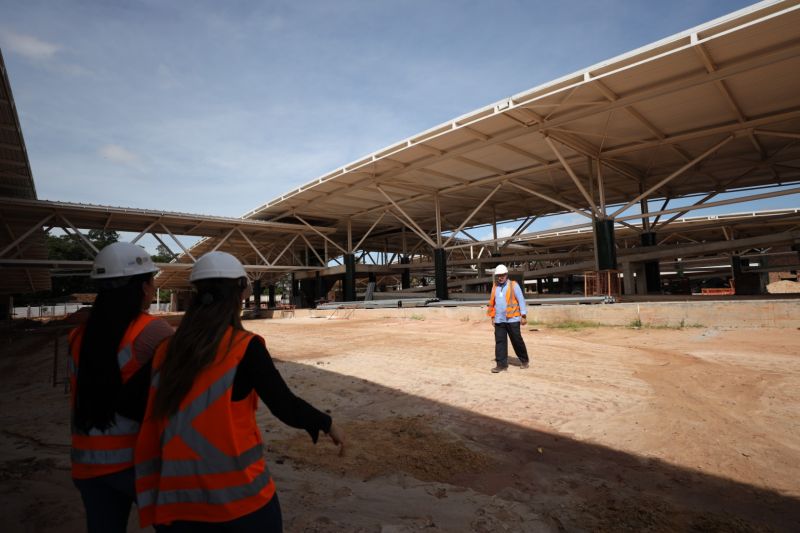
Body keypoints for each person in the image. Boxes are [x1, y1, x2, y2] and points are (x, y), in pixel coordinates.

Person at [135, 251, 345, 532]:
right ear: (240, 293)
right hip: (239, 502)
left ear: (196, 293)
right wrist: (325, 422)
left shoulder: (165, 350)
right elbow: (284, 405)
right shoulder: (244, 347)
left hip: (175, 503)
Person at [68, 242, 174, 532]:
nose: (153, 289)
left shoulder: (78, 336)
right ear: (142, 287)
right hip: (137, 462)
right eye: (151, 282)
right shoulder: (152, 331)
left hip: (88, 464)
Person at [486, 264, 530, 373]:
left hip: (513, 319)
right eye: (498, 275)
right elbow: (492, 303)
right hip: (499, 320)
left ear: (506, 275)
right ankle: (501, 365)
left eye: (502, 275)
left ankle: (524, 360)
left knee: (516, 340)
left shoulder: (513, 285)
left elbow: (521, 300)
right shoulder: (495, 287)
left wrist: (523, 315)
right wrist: (492, 317)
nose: (500, 277)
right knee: (500, 342)